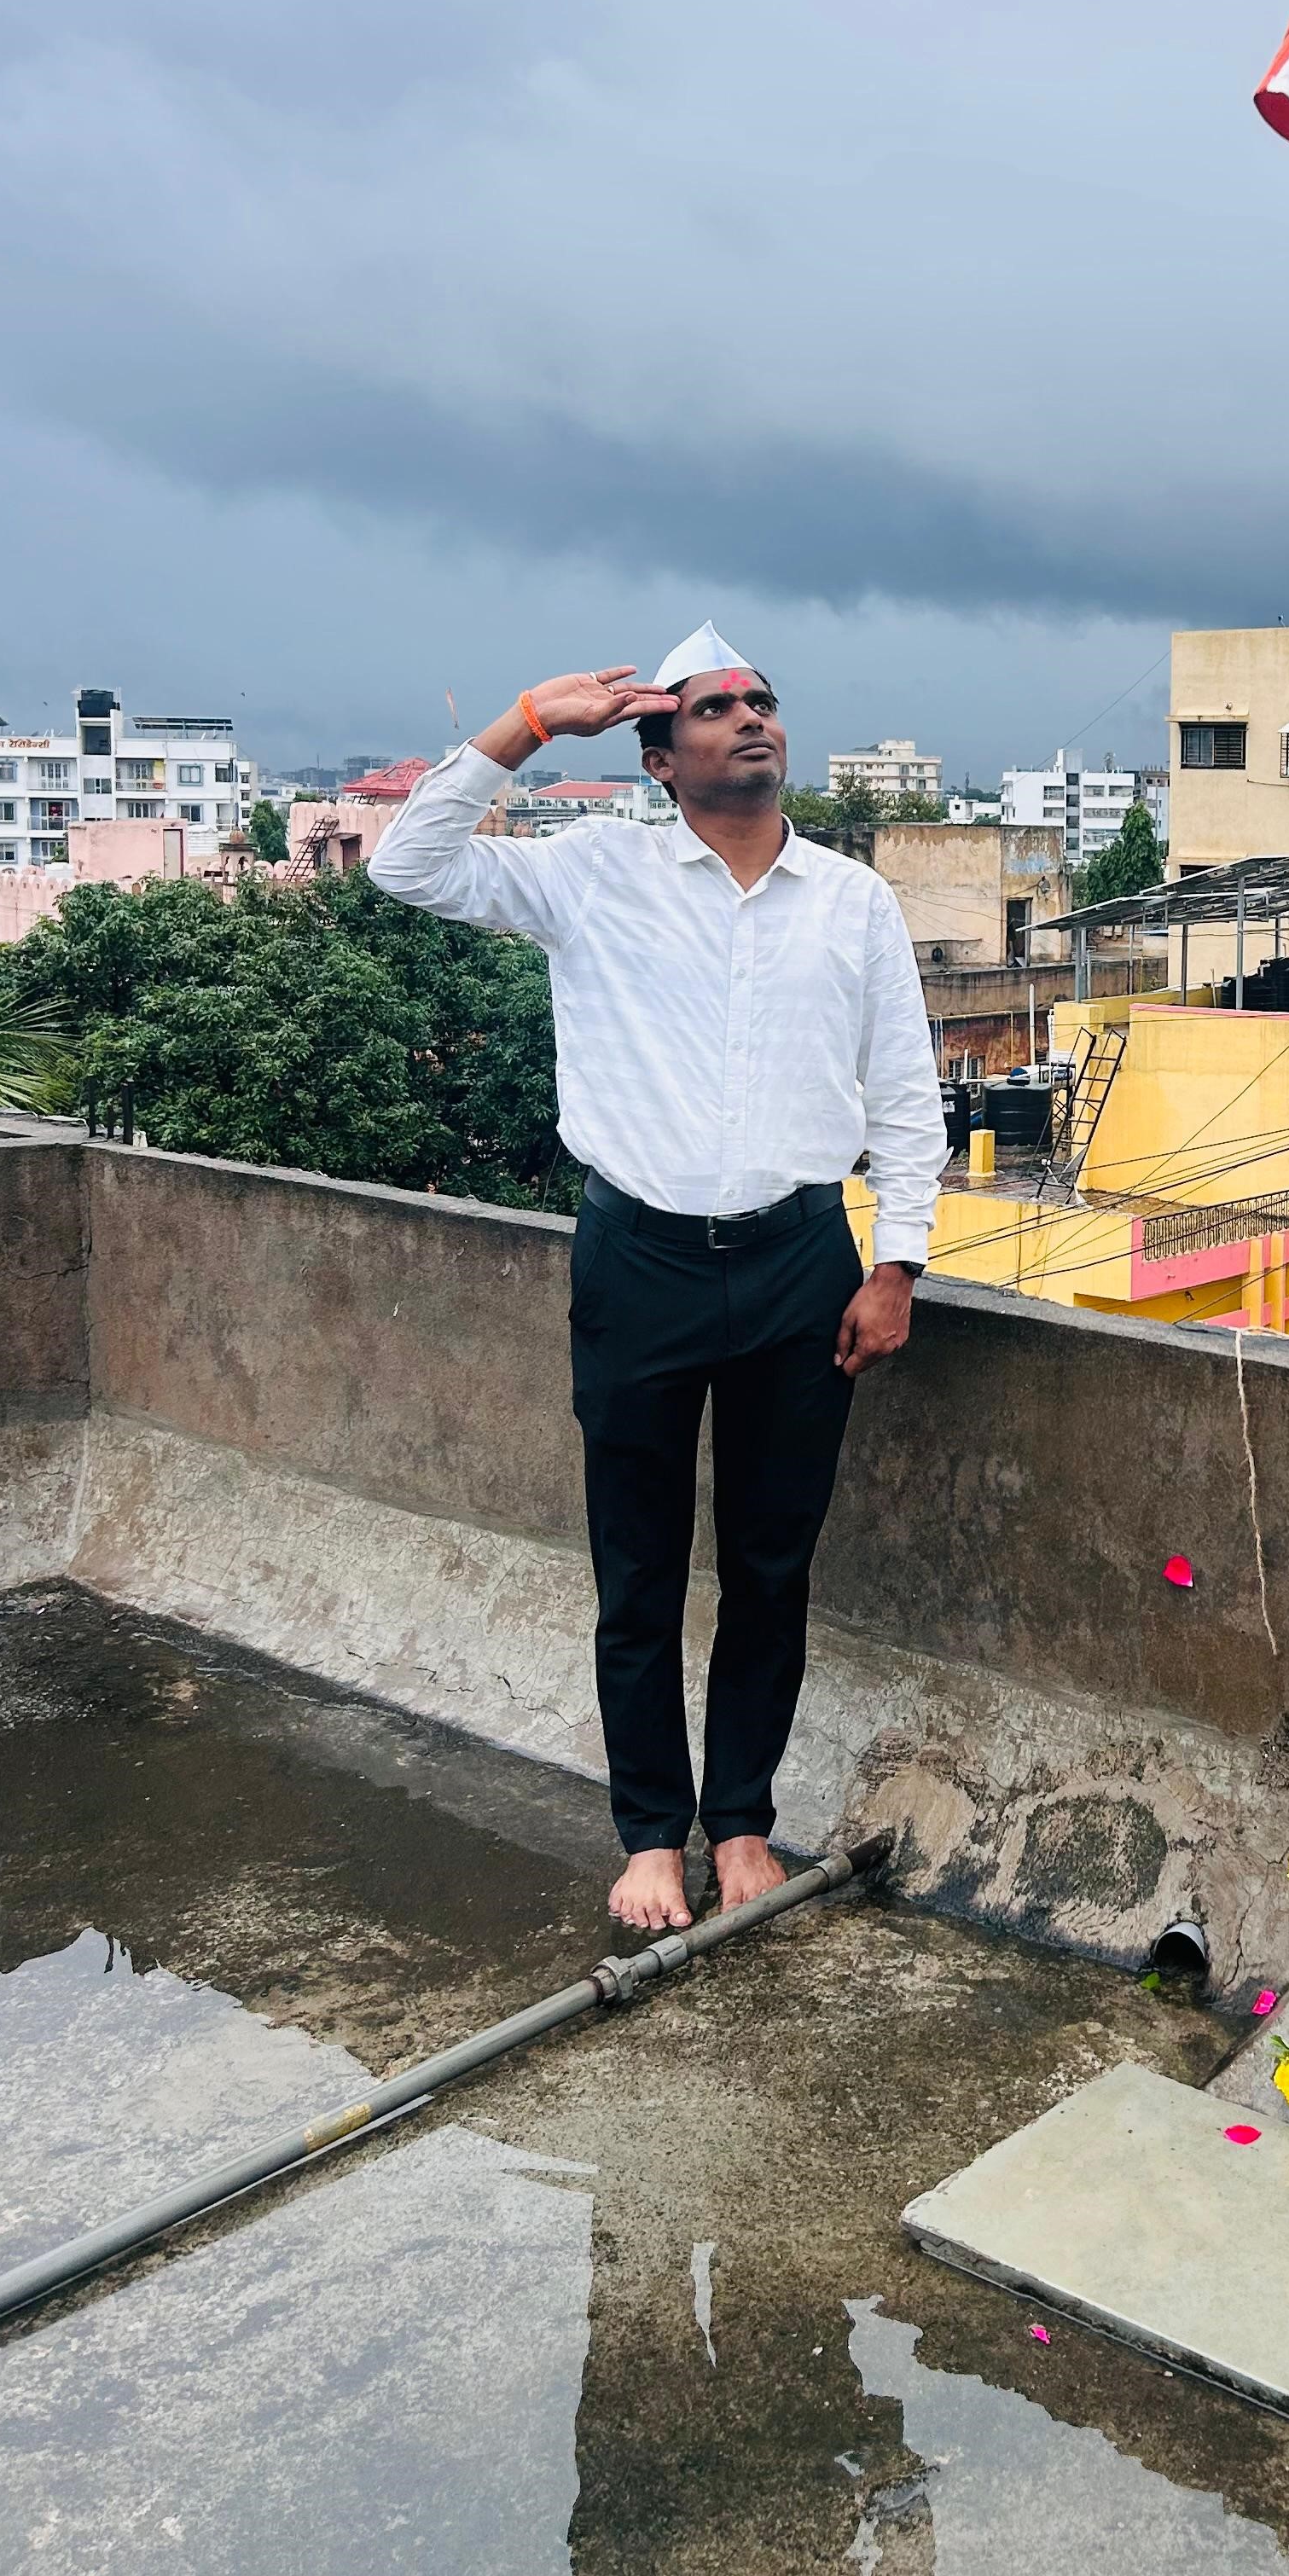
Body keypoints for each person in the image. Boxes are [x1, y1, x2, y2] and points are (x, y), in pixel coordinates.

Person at [369, 625, 946, 1930]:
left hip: (804, 1262)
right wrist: (525, 721)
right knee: (637, 1568)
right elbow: (409, 867)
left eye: (762, 701)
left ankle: (740, 1820)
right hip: (639, 1260)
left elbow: (907, 1097)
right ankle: (648, 1835)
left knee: (770, 1564)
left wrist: (897, 1261)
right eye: (713, 707)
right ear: (657, 755)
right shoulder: (593, 873)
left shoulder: (853, 898)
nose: (750, 719)